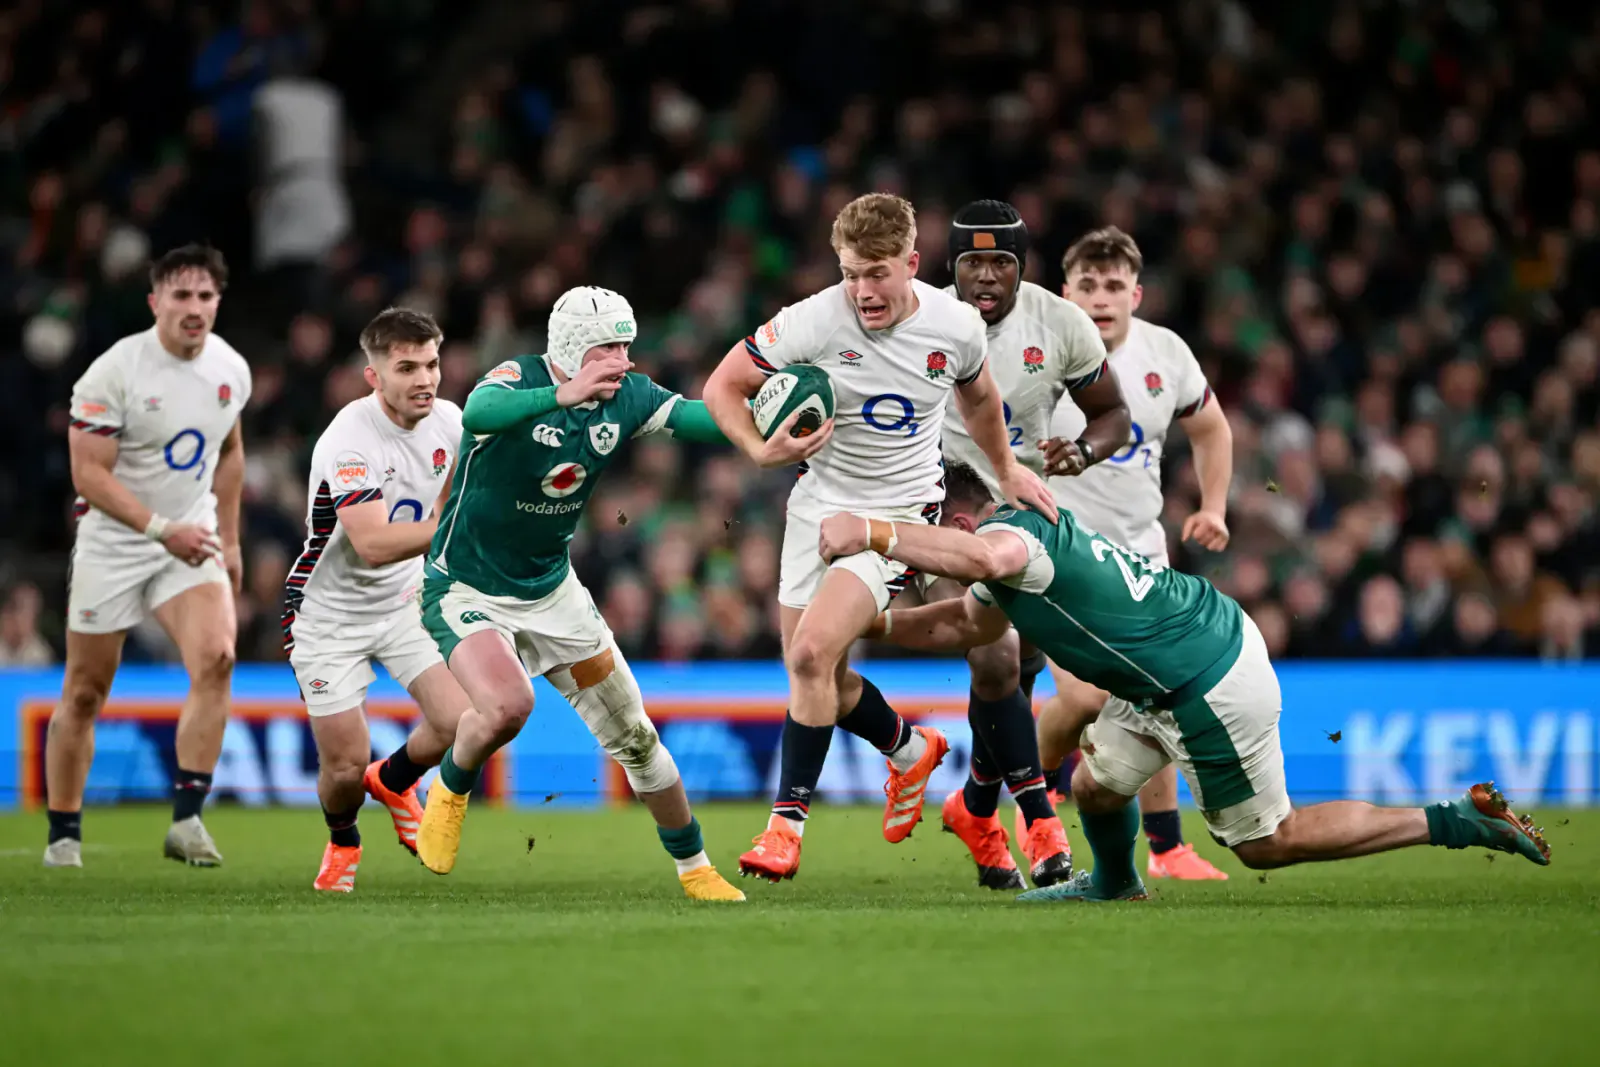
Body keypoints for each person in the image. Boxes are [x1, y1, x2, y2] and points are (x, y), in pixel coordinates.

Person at [817, 464, 1551, 902]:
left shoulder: (1012, 539)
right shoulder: (1010, 559)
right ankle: (1115, 883)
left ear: (959, 520)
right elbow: (959, 625)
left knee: (1268, 841)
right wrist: (862, 622)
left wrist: (875, 532)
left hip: (1206, 681)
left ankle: (1455, 819)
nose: (919, 559)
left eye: (926, 532)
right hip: (1173, 662)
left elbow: (982, 560)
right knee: (1097, 787)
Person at [701, 192, 1058, 883]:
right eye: (850, 273)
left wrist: (1006, 469)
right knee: (816, 675)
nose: (862, 290)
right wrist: (757, 448)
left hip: (897, 512)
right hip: (815, 508)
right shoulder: (813, 319)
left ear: (912, 264)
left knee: (813, 652)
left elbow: (980, 398)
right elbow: (723, 385)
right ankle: (909, 750)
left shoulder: (955, 326)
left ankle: (784, 829)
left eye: (876, 273)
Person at [413, 286, 746, 902]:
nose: (623, 359)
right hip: (466, 586)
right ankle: (451, 785)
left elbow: (700, 420)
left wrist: (767, 423)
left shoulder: (629, 396)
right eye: (608, 347)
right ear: (571, 348)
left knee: (637, 739)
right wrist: (560, 395)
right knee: (508, 706)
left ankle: (696, 868)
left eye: (627, 345)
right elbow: (478, 411)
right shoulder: (520, 379)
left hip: (555, 594)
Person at [935, 200, 1131, 889]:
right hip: (942, 512)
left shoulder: (1061, 323)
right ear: (951, 267)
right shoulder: (922, 320)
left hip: (1025, 516)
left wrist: (1082, 450)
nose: (986, 276)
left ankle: (974, 808)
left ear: (1022, 266)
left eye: (1001, 262)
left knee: (1014, 676)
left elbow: (1113, 414)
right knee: (996, 655)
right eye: (973, 263)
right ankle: (1039, 818)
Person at [1036, 226, 1236, 881]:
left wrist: (1213, 506)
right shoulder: (1040, 352)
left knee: (1159, 695)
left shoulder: (1166, 353)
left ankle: (1168, 846)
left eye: (1114, 285)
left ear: (1136, 295)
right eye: (1088, 285)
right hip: (1060, 551)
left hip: (1142, 553)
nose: (1101, 297)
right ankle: (1035, 796)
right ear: (1066, 293)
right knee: (1088, 700)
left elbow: (1211, 428)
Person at [46, 244, 252, 869]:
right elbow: (89, 475)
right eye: (181, 295)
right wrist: (161, 530)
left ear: (218, 302)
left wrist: (230, 540)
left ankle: (187, 821)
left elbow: (231, 451)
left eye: (205, 296)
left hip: (189, 535)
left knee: (218, 659)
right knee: (85, 691)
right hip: (115, 542)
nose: (195, 308)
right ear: (154, 302)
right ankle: (63, 835)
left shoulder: (230, 369)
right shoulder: (113, 373)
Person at [284, 307, 475, 893]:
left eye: (432, 364)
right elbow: (371, 545)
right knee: (344, 766)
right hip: (328, 615)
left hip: (405, 601)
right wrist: (451, 528)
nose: (425, 379)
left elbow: (454, 499)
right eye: (406, 368)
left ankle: (393, 780)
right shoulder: (349, 441)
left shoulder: (450, 421)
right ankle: (343, 839)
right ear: (374, 376)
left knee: (465, 720)